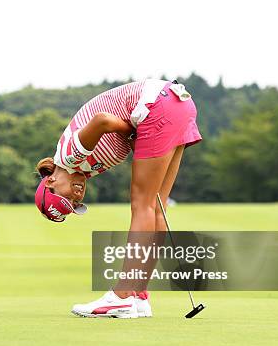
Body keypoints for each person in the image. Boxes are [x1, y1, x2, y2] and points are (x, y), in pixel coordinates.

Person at [34, 79, 202, 318]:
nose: (76, 197)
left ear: (50, 181)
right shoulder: (84, 169)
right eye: (73, 205)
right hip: (175, 104)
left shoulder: (69, 156)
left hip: (156, 104)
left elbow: (102, 120)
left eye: (65, 199)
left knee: (142, 204)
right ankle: (139, 295)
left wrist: (136, 134)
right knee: (156, 206)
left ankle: (122, 296)